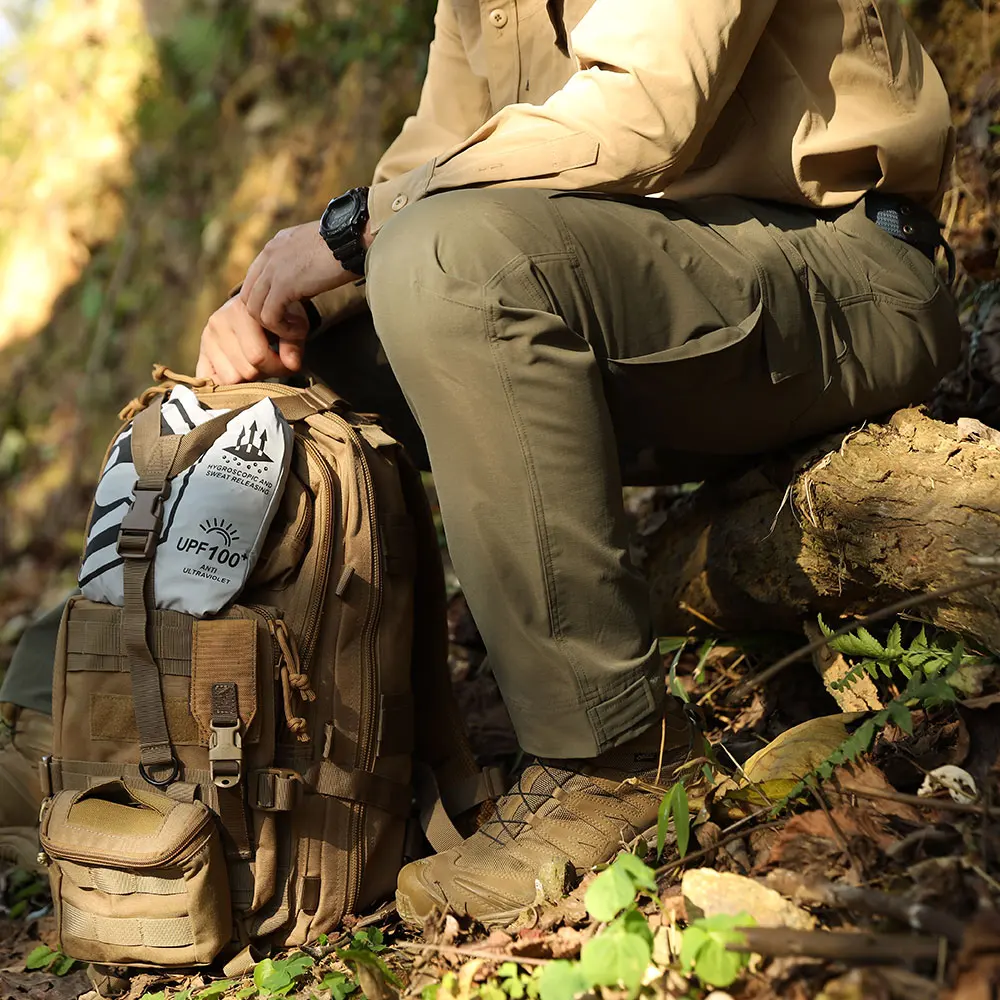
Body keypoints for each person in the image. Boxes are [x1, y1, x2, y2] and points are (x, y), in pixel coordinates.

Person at [2, 0, 958, 928]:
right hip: (654, 305)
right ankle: (97, 711)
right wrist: (274, 301)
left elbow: (641, 116)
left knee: (442, 264)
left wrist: (349, 232)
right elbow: (427, 162)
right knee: (301, 357)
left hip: (849, 277)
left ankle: (613, 760)